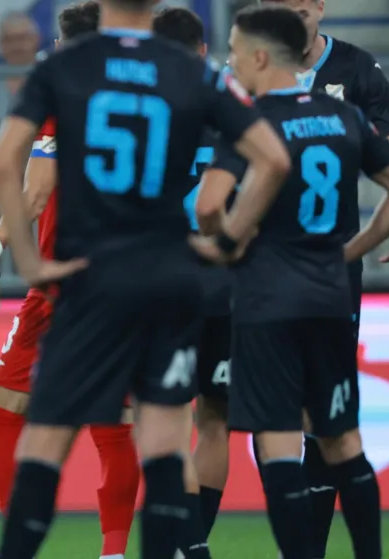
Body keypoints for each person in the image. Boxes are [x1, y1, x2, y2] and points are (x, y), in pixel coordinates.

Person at [0, 0, 294, 556]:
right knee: (163, 444)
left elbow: (6, 161)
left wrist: (27, 261)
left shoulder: (65, 67)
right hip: (169, 278)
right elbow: (272, 159)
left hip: (88, 277)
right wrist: (224, 240)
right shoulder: (190, 71)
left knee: (45, 440)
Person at [193, 5, 389, 558]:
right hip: (331, 292)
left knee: (278, 441)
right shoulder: (342, 116)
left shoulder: (248, 123)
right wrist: (353, 248)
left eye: (234, 49)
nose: (230, 61)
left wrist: (228, 240)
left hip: (266, 298)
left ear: (257, 57)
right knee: (341, 437)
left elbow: (207, 206)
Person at [0, 4, 139, 559]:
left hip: (64, 280)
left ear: (61, 42)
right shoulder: (143, 94)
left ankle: (19, 544)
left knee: (5, 409)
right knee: (117, 416)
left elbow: (34, 194)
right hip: (131, 277)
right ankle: (115, 550)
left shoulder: (63, 94)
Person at [256, 1, 389, 555]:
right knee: (328, 423)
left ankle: (302, 549)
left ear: (320, 7)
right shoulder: (335, 111)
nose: (296, 17)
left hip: (275, 276)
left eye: (303, 5)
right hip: (323, 275)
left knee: (290, 421)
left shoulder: (352, 71)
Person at [151, 8, 227, 555]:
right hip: (227, 281)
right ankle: (195, 542)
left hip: (164, 283)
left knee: (170, 420)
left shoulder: (145, 108)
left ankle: (189, 544)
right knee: (216, 417)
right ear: (203, 51)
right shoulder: (233, 106)